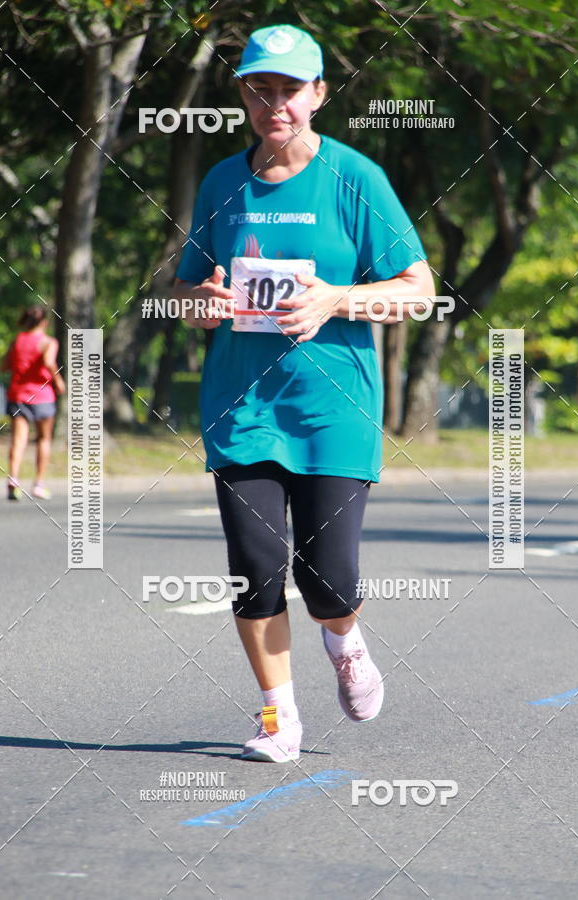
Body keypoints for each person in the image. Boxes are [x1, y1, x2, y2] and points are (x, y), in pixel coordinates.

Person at [173, 24, 435, 762]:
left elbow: (418, 291)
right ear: (245, 97)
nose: (274, 103)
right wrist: (200, 300)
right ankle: (277, 717)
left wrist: (336, 301)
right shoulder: (223, 182)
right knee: (256, 569)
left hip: (333, 410)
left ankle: (346, 641)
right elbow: (187, 282)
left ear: (318, 94)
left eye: (289, 89)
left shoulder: (356, 179)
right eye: (260, 89)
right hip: (241, 406)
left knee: (329, 581)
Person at [1, 304, 65, 500]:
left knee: (18, 439)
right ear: (44, 323)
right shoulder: (48, 342)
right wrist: (58, 380)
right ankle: (38, 483)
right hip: (42, 396)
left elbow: (4, 366)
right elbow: (47, 361)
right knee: (43, 439)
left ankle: (14, 479)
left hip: (18, 395)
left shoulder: (18, 341)